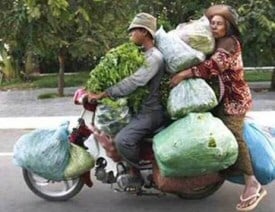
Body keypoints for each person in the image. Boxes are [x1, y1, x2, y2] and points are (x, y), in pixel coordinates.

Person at [170, 4, 267, 212]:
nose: (214, 26)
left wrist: (184, 74)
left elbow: (213, 66)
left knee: (233, 134)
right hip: (220, 98)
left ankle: (252, 182)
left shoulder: (229, 43)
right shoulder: (214, 41)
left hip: (235, 99)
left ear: (228, 26)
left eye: (219, 23)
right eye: (212, 23)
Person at [87, 13, 166, 189]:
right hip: (139, 109)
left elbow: (135, 81)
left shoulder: (154, 58)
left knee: (123, 140)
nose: (130, 36)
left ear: (144, 32)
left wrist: (105, 93)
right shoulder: (139, 54)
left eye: (133, 32)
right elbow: (124, 75)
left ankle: (136, 175)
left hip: (150, 111)